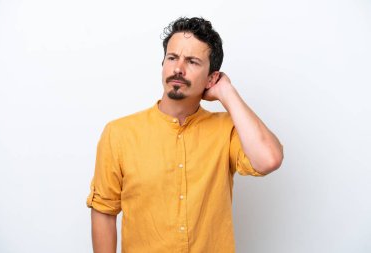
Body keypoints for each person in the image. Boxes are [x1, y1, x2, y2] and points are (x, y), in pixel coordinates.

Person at [86, 17, 284, 253]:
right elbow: (104, 212)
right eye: (172, 58)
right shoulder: (119, 133)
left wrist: (227, 92)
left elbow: (268, 159)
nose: (178, 68)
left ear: (212, 78)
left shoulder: (226, 130)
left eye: (192, 61)